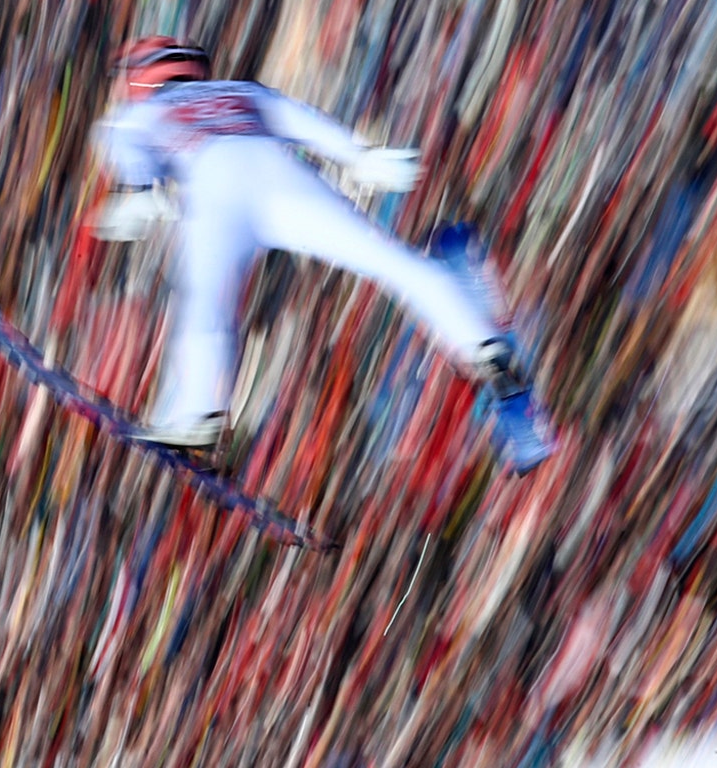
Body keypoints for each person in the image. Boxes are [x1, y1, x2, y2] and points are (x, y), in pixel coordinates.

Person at [77, 36, 556, 473]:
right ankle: (484, 345)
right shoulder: (238, 90)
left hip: (212, 185)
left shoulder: (133, 114)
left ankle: (197, 415)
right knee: (391, 262)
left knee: (205, 303)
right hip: (281, 175)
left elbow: (124, 145)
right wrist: (358, 155)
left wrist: (140, 191)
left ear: (141, 75)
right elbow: (299, 120)